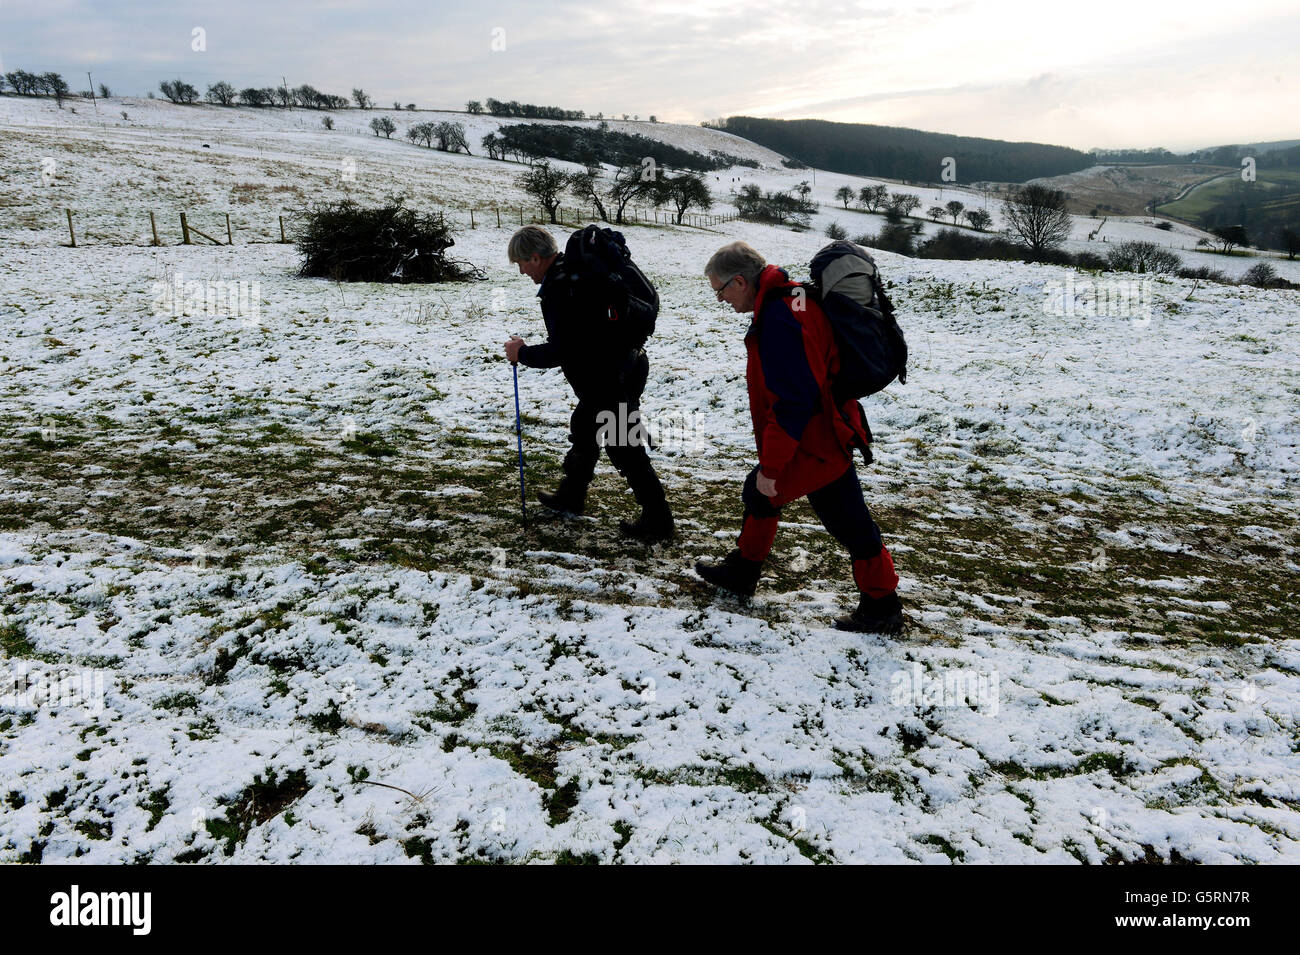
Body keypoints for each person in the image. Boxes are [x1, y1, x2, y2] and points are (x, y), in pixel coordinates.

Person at [694, 241, 904, 634]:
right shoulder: (794, 299)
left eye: (720, 291)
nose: (720, 300)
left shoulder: (779, 319)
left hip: (813, 443)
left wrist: (773, 466)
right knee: (763, 495)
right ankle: (743, 570)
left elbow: (794, 402)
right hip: (824, 432)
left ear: (740, 281)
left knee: (847, 524)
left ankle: (882, 606)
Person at [503, 225, 674, 542]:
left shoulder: (563, 286)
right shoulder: (578, 273)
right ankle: (571, 496)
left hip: (608, 377)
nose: (522, 271)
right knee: (585, 427)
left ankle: (659, 519)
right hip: (628, 364)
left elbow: (565, 349)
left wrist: (522, 353)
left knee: (624, 445)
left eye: (521, 263)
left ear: (536, 258)